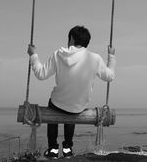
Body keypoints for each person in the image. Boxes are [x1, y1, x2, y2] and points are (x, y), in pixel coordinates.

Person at [28, 25, 116, 159]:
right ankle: (68, 148)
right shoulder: (95, 58)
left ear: (71, 39)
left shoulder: (59, 54)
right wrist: (111, 56)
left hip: (58, 104)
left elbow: (41, 74)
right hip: (78, 107)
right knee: (73, 105)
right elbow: (110, 76)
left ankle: (53, 149)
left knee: (55, 103)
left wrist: (33, 55)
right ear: (87, 42)